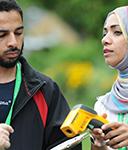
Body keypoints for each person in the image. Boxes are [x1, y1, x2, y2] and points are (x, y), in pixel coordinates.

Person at [0, 0, 82, 150]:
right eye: (2, 35)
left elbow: (69, 146)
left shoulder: (45, 89)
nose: (13, 42)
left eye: (18, 33)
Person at [89, 4, 128, 150]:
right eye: (105, 33)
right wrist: (99, 143)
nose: (105, 40)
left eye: (117, 32)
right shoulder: (103, 105)